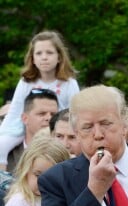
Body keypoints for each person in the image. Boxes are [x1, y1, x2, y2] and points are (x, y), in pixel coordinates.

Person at [0, 30, 79, 171]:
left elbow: (74, 113)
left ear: (59, 57)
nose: (44, 58)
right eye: (39, 53)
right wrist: (3, 132)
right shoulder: (26, 82)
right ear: (32, 58)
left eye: (49, 53)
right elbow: (15, 111)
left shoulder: (69, 83)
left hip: (58, 130)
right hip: (22, 128)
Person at [7, 88, 59, 173]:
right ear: (25, 118)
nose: (49, 118)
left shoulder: (66, 149)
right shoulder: (6, 152)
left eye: (53, 114)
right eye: (42, 113)